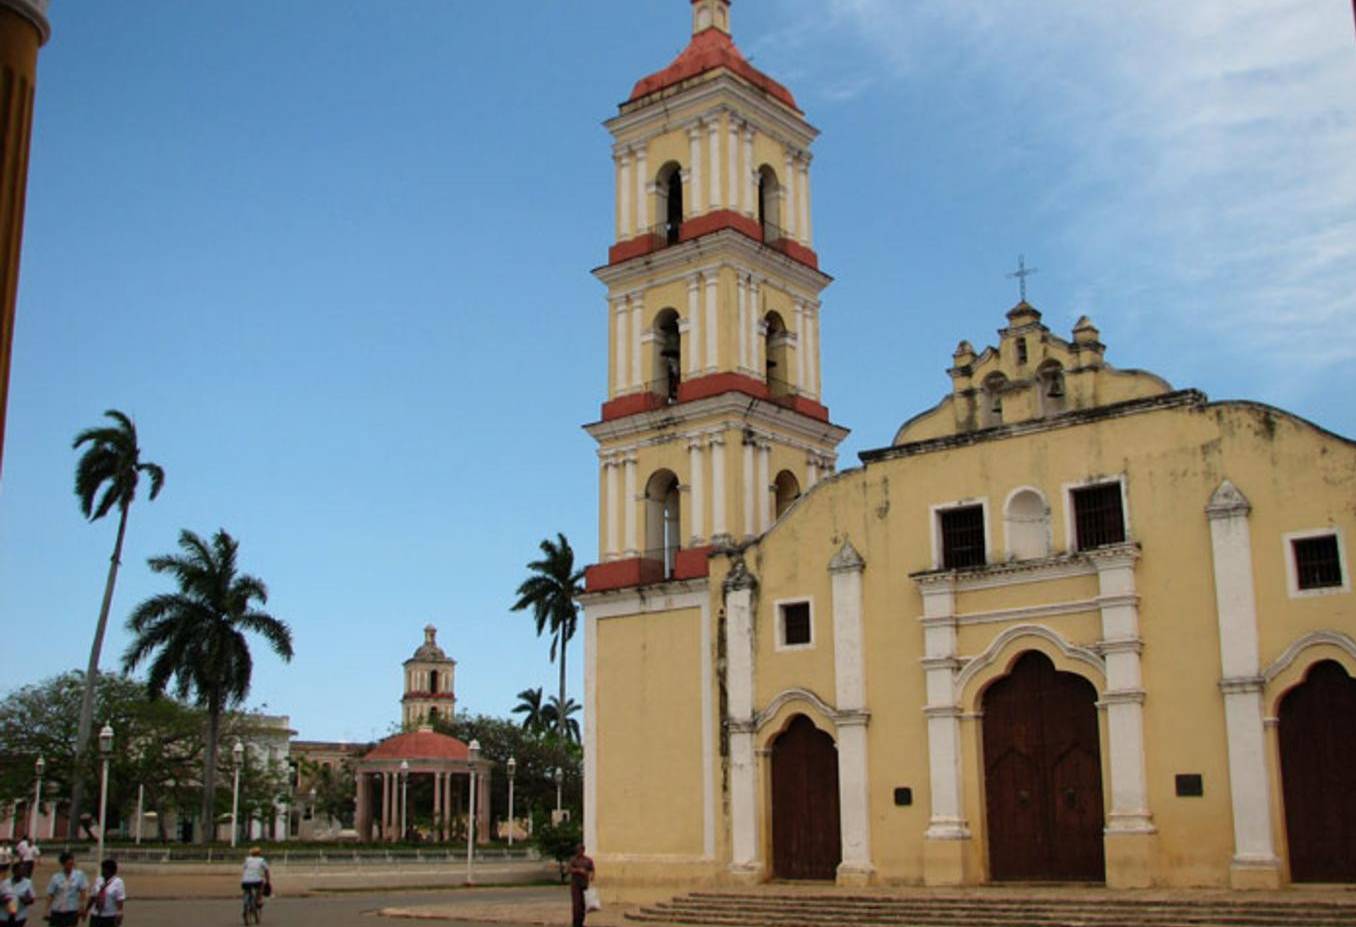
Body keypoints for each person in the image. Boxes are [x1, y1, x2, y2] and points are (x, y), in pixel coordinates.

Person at [43, 852, 86, 927]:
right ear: (63, 864)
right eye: (68, 864)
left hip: (71, 910)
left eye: (72, 863)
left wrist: (82, 906)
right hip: (57, 910)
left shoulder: (79, 875)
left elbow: (83, 891)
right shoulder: (56, 877)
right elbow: (50, 894)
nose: (70, 866)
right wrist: (46, 910)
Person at [84, 859, 124, 927]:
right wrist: (86, 910)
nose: (102, 871)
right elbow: (93, 897)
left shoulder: (118, 882)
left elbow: (120, 899)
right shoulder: (99, 880)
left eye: (103, 869)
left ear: (109, 870)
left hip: (109, 916)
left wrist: (119, 913)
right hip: (96, 915)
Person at [567, 843, 595, 927]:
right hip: (575, 885)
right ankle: (575, 923)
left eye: (580, 850)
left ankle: (581, 923)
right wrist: (578, 870)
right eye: (577, 850)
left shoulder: (588, 860)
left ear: (583, 850)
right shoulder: (573, 860)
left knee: (583, 905)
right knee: (576, 906)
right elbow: (568, 869)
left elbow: (592, 869)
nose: (579, 852)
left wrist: (592, 876)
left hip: (584, 884)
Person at [1, 860, 36, 927]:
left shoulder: (28, 883)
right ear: (14, 871)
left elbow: (31, 900)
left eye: (24, 870)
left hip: (19, 916)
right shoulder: (4, 883)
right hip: (4, 915)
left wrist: (26, 900)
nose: (23, 871)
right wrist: (3, 900)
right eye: (21, 869)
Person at [240, 846, 270, 912]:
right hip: (256, 880)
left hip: (245, 880)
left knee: (246, 889)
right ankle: (259, 900)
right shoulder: (261, 860)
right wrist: (267, 881)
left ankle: (246, 902)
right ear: (259, 853)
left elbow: (244, 868)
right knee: (261, 886)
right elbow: (267, 871)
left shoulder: (247, 860)